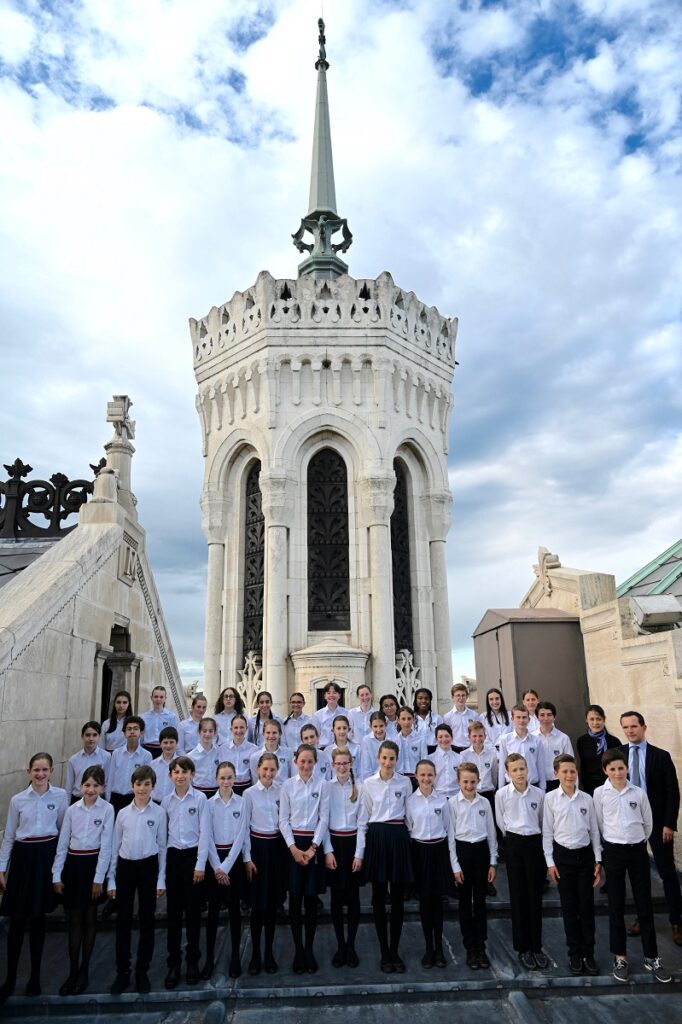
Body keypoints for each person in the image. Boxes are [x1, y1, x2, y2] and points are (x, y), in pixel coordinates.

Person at [593, 748, 672, 983]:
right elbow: (598, 824)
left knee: (644, 904)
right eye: (612, 769)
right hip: (614, 852)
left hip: (637, 851)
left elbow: (648, 823)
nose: (618, 772)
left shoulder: (638, 793)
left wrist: (637, 842)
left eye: (621, 768)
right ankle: (621, 958)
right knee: (616, 905)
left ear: (627, 768)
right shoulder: (600, 794)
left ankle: (652, 957)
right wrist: (602, 855)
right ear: (605, 771)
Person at [0, 752, 68, 1004]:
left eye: (45, 770)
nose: (40, 774)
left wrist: (57, 870)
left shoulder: (60, 797)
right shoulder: (18, 800)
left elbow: (63, 833)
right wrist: (1, 869)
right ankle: (9, 979)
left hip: (46, 856)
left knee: (38, 920)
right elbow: (9, 836)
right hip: (23, 858)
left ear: (51, 771)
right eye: (36, 770)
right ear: (28, 772)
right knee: (17, 921)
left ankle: (35, 977)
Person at [619, 710, 682, 946]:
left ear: (644, 727)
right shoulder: (619, 756)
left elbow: (672, 792)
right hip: (630, 823)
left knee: (667, 873)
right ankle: (642, 919)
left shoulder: (660, 756)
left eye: (634, 726)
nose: (630, 731)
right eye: (625, 727)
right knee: (637, 876)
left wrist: (669, 823)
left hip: (657, 822)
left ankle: (677, 921)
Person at [52, 765, 114, 995]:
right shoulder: (72, 810)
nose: (91, 789)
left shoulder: (107, 809)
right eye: (87, 785)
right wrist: (56, 874)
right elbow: (62, 843)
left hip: (92, 865)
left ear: (102, 787)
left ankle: (85, 969)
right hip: (73, 865)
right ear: (80, 787)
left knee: (90, 918)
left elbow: (106, 846)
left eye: (95, 785)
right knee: (74, 920)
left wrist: (99, 878)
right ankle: (72, 970)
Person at [107, 765, 167, 995]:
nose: (142, 789)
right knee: (123, 921)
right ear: (132, 786)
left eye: (147, 784)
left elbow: (162, 847)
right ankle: (122, 971)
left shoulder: (159, 813)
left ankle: (142, 971)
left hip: (148, 866)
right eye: (139, 784)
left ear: (153, 787)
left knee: (147, 920)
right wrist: (111, 880)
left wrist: (161, 879)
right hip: (125, 867)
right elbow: (115, 847)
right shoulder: (122, 813)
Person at [356, 740, 413, 973]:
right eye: (384, 757)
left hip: (398, 836)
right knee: (379, 896)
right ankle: (384, 951)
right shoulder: (368, 784)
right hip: (378, 837)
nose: (388, 762)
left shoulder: (405, 782)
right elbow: (363, 820)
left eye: (392, 758)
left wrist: (409, 844)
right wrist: (360, 853)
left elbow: (410, 814)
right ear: (378, 758)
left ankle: (395, 949)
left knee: (398, 898)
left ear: (397, 759)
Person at [542, 754, 601, 976]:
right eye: (565, 771)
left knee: (586, 908)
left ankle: (589, 953)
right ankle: (574, 954)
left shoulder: (587, 798)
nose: (569, 775)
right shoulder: (550, 799)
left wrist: (597, 860)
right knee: (569, 908)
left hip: (585, 858)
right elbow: (547, 832)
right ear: (556, 773)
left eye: (572, 771)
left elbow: (594, 831)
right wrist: (550, 863)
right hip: (563, 858)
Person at [495, 753, 548, 970]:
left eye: (522, 768)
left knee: (535, 897)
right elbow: (501, 821)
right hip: (515, 844)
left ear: (528, 770)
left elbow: (544, 820)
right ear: (507, 774)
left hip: (535, 844)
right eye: (514, 770)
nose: (519, 773)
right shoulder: (501, 795)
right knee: (518, 896)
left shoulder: (539, 794)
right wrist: (511, 840)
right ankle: (522, 947)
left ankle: (536, 946)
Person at [279, 744, 329, 973]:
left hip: (313, 845)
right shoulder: (287, 786)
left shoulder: (322, 785)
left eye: (310, 761)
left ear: (315, 763)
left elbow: (324, 818)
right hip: (293, 846)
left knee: (310, 903)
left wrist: (313, 848)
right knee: (295, 900)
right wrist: (293, 850)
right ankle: (298, 950)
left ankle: (309, 949)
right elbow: (283, 821)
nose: (306, 765)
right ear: (295, 762)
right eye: (303, 761)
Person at [161, 756, 208, 988]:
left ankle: (192, 961)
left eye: (185, 771)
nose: (180, 775)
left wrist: (200, 865)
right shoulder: (165, 802)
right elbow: (162, 839)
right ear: (170, 775)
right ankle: (174, 963)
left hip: (192, 859)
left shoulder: (200, 800)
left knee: (192, 914)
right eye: (176, 771)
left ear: (192, 774)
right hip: (173, 858)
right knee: (173, 914)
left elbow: (205, 834)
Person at [406, 759, 456, 969]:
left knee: (438, 903)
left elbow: (449, 831)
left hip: (438, 852)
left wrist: (453, 863)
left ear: (435, 777)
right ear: (416, 777)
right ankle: (428, 948)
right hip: (420, 852)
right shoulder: (410, 801)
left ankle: (439, 947)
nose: (426, 779)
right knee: (425, 903)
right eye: (422, 775)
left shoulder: (443, 801)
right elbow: (409, 829)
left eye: (430, 775)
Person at [449, 761, 497, 969]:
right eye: (465, 781)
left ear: (479, 781)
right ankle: (470, 947)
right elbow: (450, 837)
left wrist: (493, 862)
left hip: (481, 852)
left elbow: (492, 834)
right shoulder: (452, 803)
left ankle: (481, 946)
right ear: (458, 782)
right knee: (464, 903)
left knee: (479, 901)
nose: (469, 785)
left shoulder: (484, 803)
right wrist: (455, 866)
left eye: (473, 782)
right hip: (462, 852)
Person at [243, 753, 286, 975]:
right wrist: (247, 858)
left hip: (276, 849)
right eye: (265, 769)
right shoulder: (248, 794)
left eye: (272, 770)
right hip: (257, 850)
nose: (268, 773)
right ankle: (255, 954)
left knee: (271, 907)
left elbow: (285, 821)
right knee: (257, 907)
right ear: (258, 769)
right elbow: (244, 829)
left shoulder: (282, 790)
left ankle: (268, 952)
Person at [203, 760, 246, 980]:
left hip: (233, 861)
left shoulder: (241, 803)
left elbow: (241, 837)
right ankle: (210, 958)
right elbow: (206, 836)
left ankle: (236, 957)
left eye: (230, 777)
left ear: (235, 779)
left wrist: (227, 866)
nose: (226, 781)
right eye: (222, 777)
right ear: (216, 779)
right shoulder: (208, 804)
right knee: (212, 913)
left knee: (235, 911)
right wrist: (217, 867)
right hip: (214, 861)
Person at [324, 748, 363, 968]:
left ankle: (352, 945)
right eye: (338, 763)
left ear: (351, 764)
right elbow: (324, 820)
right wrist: (327, 851)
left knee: (354, 897)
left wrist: (359, 853)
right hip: (334, 845)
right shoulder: (326, 788)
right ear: (332, 765)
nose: (341, 767)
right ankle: (340, 945)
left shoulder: (359, 788)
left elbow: (362, 823)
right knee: (337, 898)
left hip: (353, 844)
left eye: (345, 763)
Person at [460, 720, 499, 889]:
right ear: (469, 737)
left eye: (480, 735)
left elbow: (495, 776)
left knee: (488, 831)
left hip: (487, 796)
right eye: (474, 736)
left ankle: (488, 879)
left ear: (485, 736)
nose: (477, 739)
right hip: (469, 795)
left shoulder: (492, 754)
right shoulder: (463, 755)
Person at [106, 716, 153, 815]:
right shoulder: (116, 753)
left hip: (134, 798)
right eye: (129, 729)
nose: (132, 731)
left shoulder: (146, 756)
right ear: (124, 733)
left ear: (141, 732)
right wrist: (108, 798)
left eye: (136, 729)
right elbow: (110, 778)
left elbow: (147, 780)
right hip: (116, 798)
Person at [575, 704, 621, 796]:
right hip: (590, 786)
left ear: (604, 720)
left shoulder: (614, 741)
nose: (595, 723)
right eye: (592, 719)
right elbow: (583, 763)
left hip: (611, 784)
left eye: (598, 719)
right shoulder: (582, 741)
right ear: (586, 720)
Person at [497, 705, 542, 790]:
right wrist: (500, 788)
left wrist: (543, 788)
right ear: (512, 719)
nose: (521, 720)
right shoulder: (505, 739)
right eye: (518, 717)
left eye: (524, 717)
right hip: (511, 785)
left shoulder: (536, 740)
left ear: (529, 719)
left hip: (532, 785)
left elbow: (540, 766)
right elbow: (502, 766)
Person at [66, 722, 111, 802]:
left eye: (94, 735)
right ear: (82, 737)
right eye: (87, 735)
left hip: (98, 799)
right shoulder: (73, 759)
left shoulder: (106, 757)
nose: (91, 738)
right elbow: (69, 786)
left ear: (99, 737)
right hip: (77, 799)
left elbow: (108, 783)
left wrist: (107, 802)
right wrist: (67, 804)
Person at [535, 701, 573, 793]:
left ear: (554, 717)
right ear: (537, 717)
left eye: (549, 715)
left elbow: (571, 763)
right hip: (537, 783)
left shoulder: (563, 738)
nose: (546, 718)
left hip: (559, 783)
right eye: (542, 715)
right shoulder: (532, 738)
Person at [221, 713, 258, 796]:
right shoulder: (223, 749)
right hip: (228, 788)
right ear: (231, 729)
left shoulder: (254, 749)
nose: (239, 731)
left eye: (241, 727)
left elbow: (255, 774)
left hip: (247, 787)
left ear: (247, 729)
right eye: (236, 728)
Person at [250, 719, 293, 784]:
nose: (271, 736)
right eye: (268, 732)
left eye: (274, 733)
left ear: (280, 734)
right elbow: (256, 782)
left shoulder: (288, 753)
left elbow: (291, 778)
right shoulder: (255, 757)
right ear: (263, 734)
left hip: (283, 792)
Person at [187, 718, 222, 798]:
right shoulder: (191, 756)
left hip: (217, 792)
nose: (207, 734)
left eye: (210, 731)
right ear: (199, 732)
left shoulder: (219, 752)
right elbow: (189, 779)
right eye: (204, 731)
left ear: (215, 733)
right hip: (198, 792)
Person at [141, 685, 180, 757]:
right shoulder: (144, 717)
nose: (158, 699)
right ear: (151, 698)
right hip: (147, 750)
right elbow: (141, 737)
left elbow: (174, 737)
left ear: (165, 698)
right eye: (156, 697)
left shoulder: (171, 717)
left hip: (165, 750)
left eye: (161, 697)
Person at [395, 705, 427, 790]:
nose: (406, 722)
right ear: (398, 720)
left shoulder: (420, 739)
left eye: (409, 718)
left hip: (416, 778)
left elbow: (424, 760)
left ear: (413, 720)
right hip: (399, 778)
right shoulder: (394, 741)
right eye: (403, 719)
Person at [443, 682, 478, 752]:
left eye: (463, 695)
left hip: (470, 750)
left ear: (467, 697)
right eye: (458, 695)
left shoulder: (474, 715)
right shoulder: (447, 717)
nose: (461, 698)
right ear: (453, 698)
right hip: (454, 750)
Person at [431, 723, 461, 798]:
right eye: (440, 737)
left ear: (452, 737)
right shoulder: (430, 759)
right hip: (437, 797)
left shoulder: (460, 758)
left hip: (456, 796)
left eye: (447, 736)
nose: (444, 739)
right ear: (436, 739)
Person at [312, 682, 345, 748]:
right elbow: (315, 734)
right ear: (325, 696)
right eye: (328, 693)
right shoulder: (318, 715)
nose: (331, 695)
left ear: (339, 696)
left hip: (341, 749)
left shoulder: (346, 713)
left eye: (334, 693)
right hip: (323, 749)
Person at [151, 726, 179, 803]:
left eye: (171, 742)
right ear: (160, 744)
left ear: (176, 743)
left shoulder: (181, 764)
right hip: (155, 803)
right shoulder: (152, 764)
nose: (168, 746)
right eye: (165, 742)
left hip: (174, 803)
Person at [413, 688, 443, 752]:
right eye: (420, 698)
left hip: (434, 751)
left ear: (430, 701)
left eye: (426, 698)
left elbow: (441, 737)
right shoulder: (411, 718)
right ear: (416, 700)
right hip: (416, 750)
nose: (423, 701)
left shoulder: (437, 718)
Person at [359, 712, 387, 781]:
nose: (379, 730)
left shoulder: (393, 739)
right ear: (370, 726)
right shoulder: (366, 740)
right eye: (375, 726)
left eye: (381, 726)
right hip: (372, 779)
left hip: (388, 777)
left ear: (386, 724)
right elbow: (366, 766)